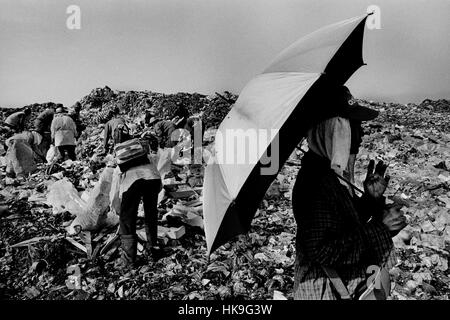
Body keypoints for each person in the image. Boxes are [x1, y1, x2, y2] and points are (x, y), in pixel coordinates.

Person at [292, 86, 407, 300]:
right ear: (335, 129)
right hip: (324, 292)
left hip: (338, 287)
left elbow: (342, 225)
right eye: (355, 125)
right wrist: (381, 229)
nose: (362, 133)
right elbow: (323, 250)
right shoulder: (314, 183)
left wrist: (370, 200)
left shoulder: (327, 172)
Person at [110, 135, 162, 269]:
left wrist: (118, 210)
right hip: (153, 180)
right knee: (151, 214)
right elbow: (158, 179)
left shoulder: (119, 167)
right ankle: (153, 248)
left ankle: (128, 259)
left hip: (133, 183)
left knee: (127, 219)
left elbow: (115, 194)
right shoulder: (147, 157)